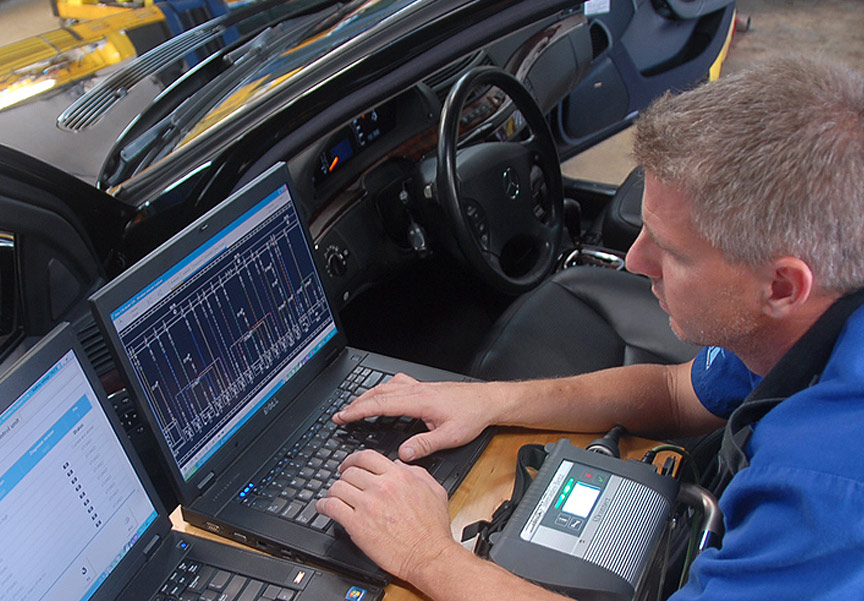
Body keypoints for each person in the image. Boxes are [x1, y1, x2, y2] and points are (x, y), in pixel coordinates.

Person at [316, 55, 864, 600]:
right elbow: (676, 392)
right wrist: (485, 400)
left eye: (671, 252)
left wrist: (426, 553)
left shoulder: (821, 491)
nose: (635, 261)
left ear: (782, 287)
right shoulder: (800, 320)